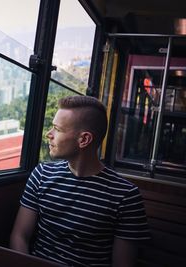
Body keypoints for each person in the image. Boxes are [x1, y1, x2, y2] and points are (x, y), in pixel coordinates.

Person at [10, 95, 150, 267]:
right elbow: (19, 236)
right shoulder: (41, 174)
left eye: (57, 129)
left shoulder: (126, 196)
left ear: (84, 140)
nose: (49, 134)